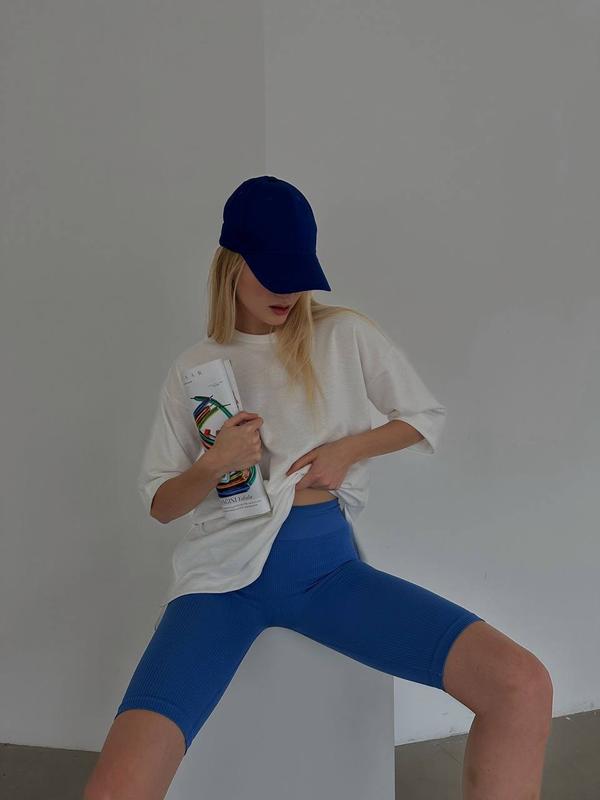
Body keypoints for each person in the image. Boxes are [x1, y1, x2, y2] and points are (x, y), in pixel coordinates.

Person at [84, 177, 553, 800]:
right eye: (272, 271)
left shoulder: (343, 336)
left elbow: (424, 418)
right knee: (115, 789)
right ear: (232, 263)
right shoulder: (194, 367)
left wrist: (347, 450)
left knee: (522, 685)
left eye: (299, 272)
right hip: (220, 585)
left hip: (329, 574)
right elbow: (160, 505)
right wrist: (213, 463)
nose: (288, 290)